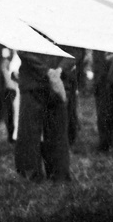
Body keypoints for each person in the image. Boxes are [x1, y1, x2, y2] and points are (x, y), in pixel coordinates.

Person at [14, 49, 73, 182]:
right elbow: (23, 50)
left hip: (59, 82)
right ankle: (30, 174)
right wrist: (48, 72)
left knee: (58, 131)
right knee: (29, 130)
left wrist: (59, 70)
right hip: (33, 83)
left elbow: (75, 49)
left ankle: (59, 174)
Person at [90, 50, 113, 152]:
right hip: (101, 77)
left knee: (108, 111)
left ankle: (108, 142)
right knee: (103, 111)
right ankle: (105, 142)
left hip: (110, 76)